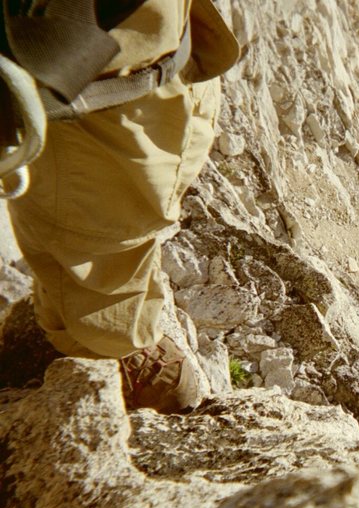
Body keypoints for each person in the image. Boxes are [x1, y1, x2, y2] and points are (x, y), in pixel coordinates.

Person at [0, 0, 240, 413]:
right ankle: (103, 344)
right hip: (83, 88)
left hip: (132, 61)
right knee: (93, 238)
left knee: (124, 213)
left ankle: (99, 310)